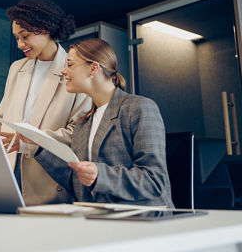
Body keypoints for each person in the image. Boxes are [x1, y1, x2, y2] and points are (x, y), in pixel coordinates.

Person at [0, 0, 90, 205]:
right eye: (16, 37)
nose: (20, 44)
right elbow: (1, 122)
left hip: (49, 179)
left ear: (47, 29)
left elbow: (76, 134)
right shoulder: (17, 69)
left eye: (25, 36)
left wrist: (28, 143)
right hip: (10, 172)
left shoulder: (74, 70)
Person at [26, 38, 174, 207]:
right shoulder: (83, 122)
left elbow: (154, 181)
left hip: (144, 221)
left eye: (70, 64)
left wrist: (99, 175)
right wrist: (40, 147)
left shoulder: (139, 108)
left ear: (94, 68)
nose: (63, 71)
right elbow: (77, 183)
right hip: (100, 221)